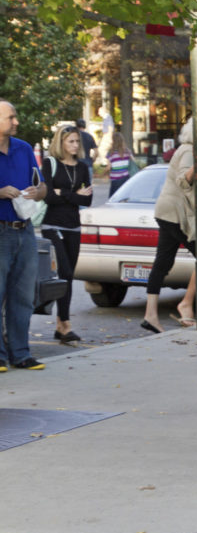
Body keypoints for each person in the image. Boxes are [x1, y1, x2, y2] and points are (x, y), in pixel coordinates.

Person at [0, 101, 48, 371]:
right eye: (11, 117)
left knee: (23, 295)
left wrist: (37, 192)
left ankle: (21, 354)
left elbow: (41, 186)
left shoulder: (24, 148)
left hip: (25, 229)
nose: (16, 121)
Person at [39, 124, 94, 345]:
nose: (75, 145)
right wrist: (74, 194)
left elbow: (87, 200)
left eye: (77, 141)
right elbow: (48, 197)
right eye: (70, 141)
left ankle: (61, 325)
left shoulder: (81, 167)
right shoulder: (50, 164)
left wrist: (65, 193)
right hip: (53, 226)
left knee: (69, 277)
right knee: (65, 270)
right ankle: (66, 325)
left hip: (74, 226)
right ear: (60, 143)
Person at [142, 118, 197, 333]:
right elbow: (184, 181)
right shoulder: (189, 151)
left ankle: (151, 315)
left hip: (167, 211)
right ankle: (190, 305)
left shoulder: (185, 149)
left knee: (163, 262)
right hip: (175, 213)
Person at [106, 131, 133, 197]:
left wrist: (104, 172)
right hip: (126, 178)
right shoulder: (127, 151)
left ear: (113, 141)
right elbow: (133, 161)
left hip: (115, 180)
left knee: (113, 198)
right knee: (124, 198)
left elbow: (108, 167)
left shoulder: (111, 153)